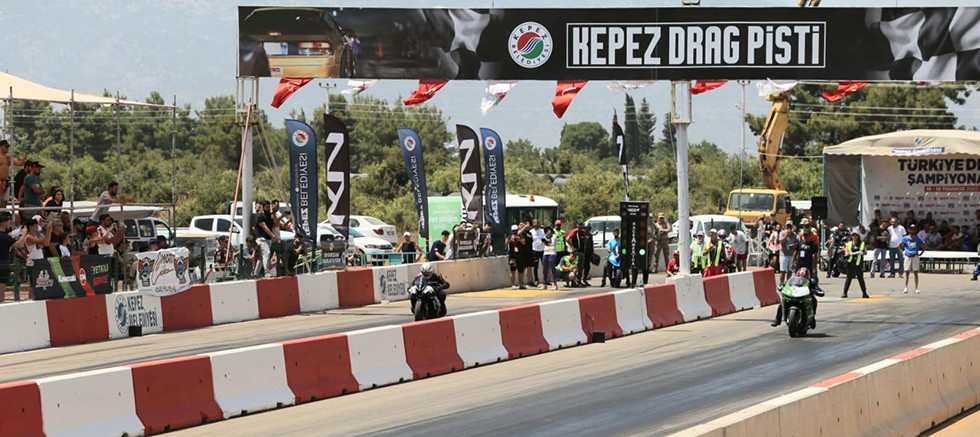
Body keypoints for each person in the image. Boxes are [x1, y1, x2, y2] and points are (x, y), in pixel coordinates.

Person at [0, 139, 28, 209]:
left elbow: (19, 163)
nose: (7, 148)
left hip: (5, 181)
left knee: (5, 201)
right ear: (1, 146)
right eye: (6, 146)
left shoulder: (8, 158)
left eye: (8, 147)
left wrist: (23, 159)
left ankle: (2, 214)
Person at [841, 232, 869, 299]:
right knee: (848, 278)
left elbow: (865, 252)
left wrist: (861, 253)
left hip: (858, 263)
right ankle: (845, 293)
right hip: (850, 263)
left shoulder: (862, 243)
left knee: (860, 279)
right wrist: (851, 254)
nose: (855, 237)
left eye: (856, 236)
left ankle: (864, 293)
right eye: (853, 236)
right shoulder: (849, 244)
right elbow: (846, 252)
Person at [900, 223, 925, 294]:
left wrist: (921, 253)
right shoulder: (905, 238)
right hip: (908, 256)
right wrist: (902, 252)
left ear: (915, 230)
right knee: (906, 272)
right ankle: (905, 287)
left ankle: (916, 288)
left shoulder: (918, 238)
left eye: (913, 230)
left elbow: (924, 245)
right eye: (911, 229)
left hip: (915, 256)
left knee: (915, 272)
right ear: (908, 230)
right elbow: (899, 245)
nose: (912, 231)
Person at [506, 224, 525, 289]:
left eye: (516, 231)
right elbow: (506, 243)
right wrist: (510, 240)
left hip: (520, 256)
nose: (515, 232)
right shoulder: (509, 237)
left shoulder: (521, 236)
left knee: (521, 271)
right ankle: (513, 284)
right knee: (513, 270)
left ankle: (520, 284)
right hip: (512, 256)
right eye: (514, 231)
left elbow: (524, 243)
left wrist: (520, 240)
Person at [530, 220, 545, 286]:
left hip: (542, 250)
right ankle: (536, 280)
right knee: (535, 266)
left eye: (537, 224)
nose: (535, 225)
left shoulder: (542, 231)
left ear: (539, 224)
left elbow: (545, 238)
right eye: (534, 224)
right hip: (535, 250)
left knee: (545, 265)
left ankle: (545, 280)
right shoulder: (531, 231)